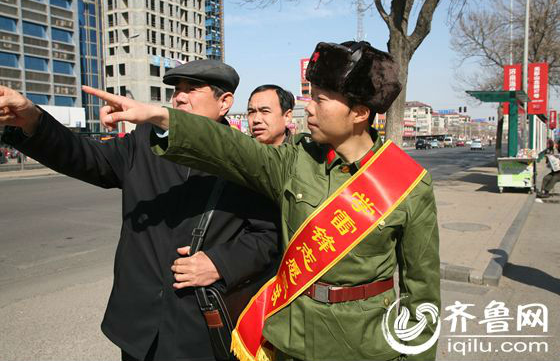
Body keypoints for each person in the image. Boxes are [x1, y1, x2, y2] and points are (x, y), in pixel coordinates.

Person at [81, 41, 440, 361]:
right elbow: (231, 148)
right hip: (292, 337)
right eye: (309, 95)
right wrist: (162, 117)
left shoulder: (408, 186)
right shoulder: (294, 161)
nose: (307, 108)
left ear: (360, 113)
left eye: (319, 99)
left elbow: (421, 294)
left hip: (365, 342)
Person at [0, 59, 280, 361]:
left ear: (224, 102)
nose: (180, 97)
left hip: (199, 327)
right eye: (176, 90)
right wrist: (32, 120)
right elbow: (83, 155)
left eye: (192, 89)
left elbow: (268, 236)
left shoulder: (247, 160)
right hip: (138, 328)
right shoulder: (144, 143)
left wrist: (219, 263)